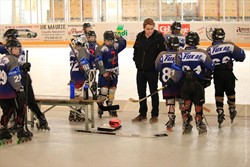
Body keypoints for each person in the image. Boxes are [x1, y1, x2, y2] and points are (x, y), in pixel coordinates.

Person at [0, 30, 49, 130]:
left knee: (29, 101)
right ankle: (15, 123)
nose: (6, 40)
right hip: (14, 79)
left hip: (22, 78)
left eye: (7, 38)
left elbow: (2, 48)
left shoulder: (13, 48)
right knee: (14, 103)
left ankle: (41, 118)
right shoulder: (13, 47)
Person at [167, 31, 214, 134]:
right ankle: (199, 123)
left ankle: (186, 123)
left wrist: (172, 80)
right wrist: (207, 77)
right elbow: (211, 66)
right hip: (197, 84)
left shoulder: (180, 54)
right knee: (198, 104)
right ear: (197, 41)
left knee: (186, 105)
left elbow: (175, 69)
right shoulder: (202, 53)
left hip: (185, 84)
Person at [206, 28, 245, 128]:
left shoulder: (209, 50)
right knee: (230, 91)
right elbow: (241, 56)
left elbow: (207, 65)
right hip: (228, 73)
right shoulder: (229, 45)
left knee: (218, 93)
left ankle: (220, 111)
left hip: (217, 74)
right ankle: (232, 109)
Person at [132, 18, 165, 123]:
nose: (149, 31)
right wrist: (136, 61)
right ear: (144, 28)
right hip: (140, 70)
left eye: (151, 29)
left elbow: (162, 53)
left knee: (153, 92)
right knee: (141, 92)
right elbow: (136, 50)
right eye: (147, 29)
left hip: (152, 71)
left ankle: (154, 115)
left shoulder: (158, 37)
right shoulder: (139, 36)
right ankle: (142, 113)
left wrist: (156, 65)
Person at [0, 40, 32, 143]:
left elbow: (11, 67)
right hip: (11, 92)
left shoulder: (3, 59)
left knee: (7, 112)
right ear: (9, 49)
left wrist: (23, 67)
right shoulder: (13, 60)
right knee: (21, 109)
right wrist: (20, 89)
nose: (18, 50)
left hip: (2, 92)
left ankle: (2, 131)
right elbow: (13, 76)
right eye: (15, 48)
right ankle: (20, 131)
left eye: (19, 48)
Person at [155, 35, 183, 132]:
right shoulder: (180, 54)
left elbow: (157, 67)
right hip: (179, 83)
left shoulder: (161, 55)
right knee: (181, 101)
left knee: (170, 102)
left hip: (167, 84)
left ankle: (171, 119)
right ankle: (186, 120)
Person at [96, 30, 127, 117]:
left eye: (111, 40)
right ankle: (100, 105)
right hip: (105, 73)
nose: (109, 42)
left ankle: (110, 105)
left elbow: (124, 44)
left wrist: (119, 37)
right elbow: (99, 61)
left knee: (112, 90)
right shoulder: (101, 48)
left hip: (114, 72)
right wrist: (103, 72)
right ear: (104, 40)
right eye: (107, 40)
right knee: (104, 90)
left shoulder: (115, 46)